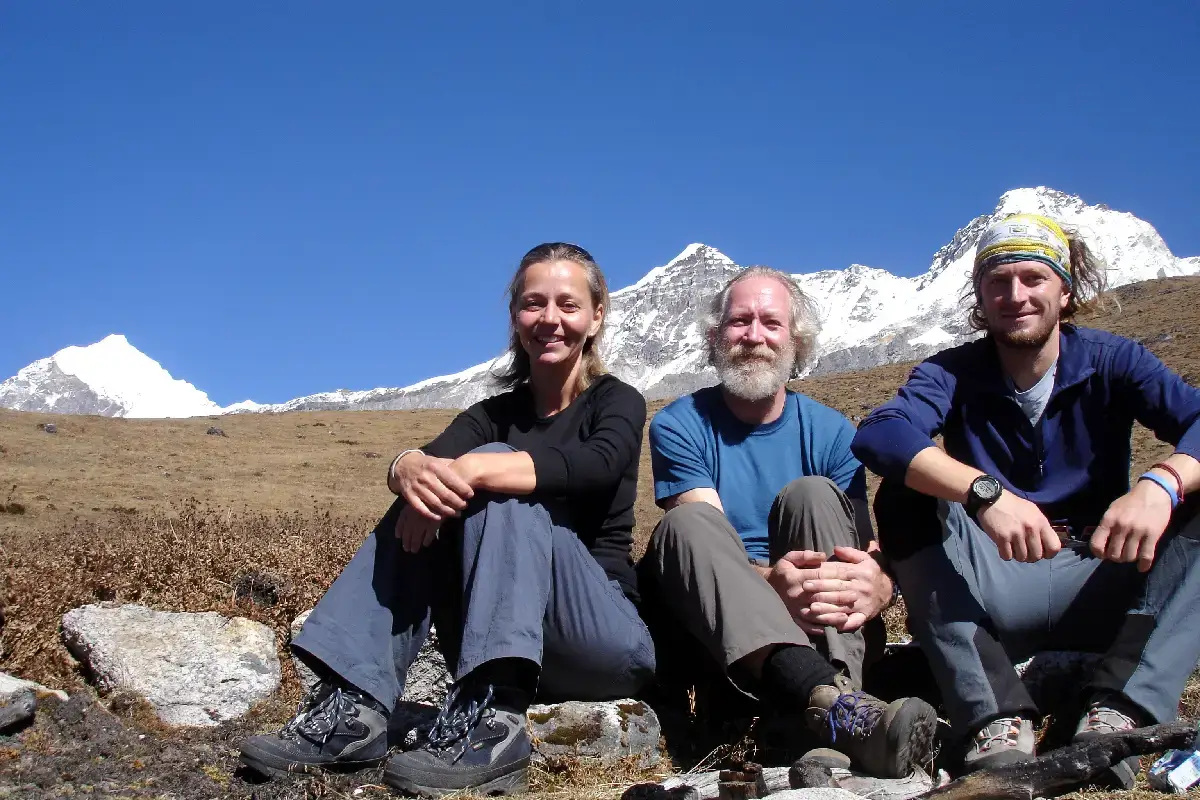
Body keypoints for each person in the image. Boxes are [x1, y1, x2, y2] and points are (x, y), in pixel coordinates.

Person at [239, 243, 655, 797]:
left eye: (568, 304)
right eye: (533, 304)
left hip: (602, 638)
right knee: (430, 487)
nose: (550, 319)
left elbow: (595, 465)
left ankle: (496, 720)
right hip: (505, 637)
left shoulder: (616, 401)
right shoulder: (494, 414)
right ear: (515, 316)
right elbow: (428, 458)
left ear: (596, 315)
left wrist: (481, 466)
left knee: (494, 473)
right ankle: (356, 704)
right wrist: (406, 468)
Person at [853, 214, 1200, 785]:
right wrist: (983, 493)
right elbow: (882, 433)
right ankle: (992, 717)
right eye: (998, 282)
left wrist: (1162, 483)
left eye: (1034, 278)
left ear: (1065, 290)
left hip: (1100, 572)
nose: (1016, 296)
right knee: (903, 495)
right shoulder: (954, 371)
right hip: (996, 575)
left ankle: (1122, 713)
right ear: (980, 297)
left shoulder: (1114, 361)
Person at [639, 267, 939, 778]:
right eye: (739, 322)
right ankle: (832, 709)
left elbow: (859, 548)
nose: (754, 336)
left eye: (770, 323)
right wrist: (771, 584)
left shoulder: (832, 433)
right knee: (683, 526)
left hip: (822, 622)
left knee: (813, 495)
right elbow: (707, 546)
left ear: (795, 341)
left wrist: (883, 583)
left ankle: (838, 707)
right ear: (716, 337)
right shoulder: (678, 424)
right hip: (727, 641)